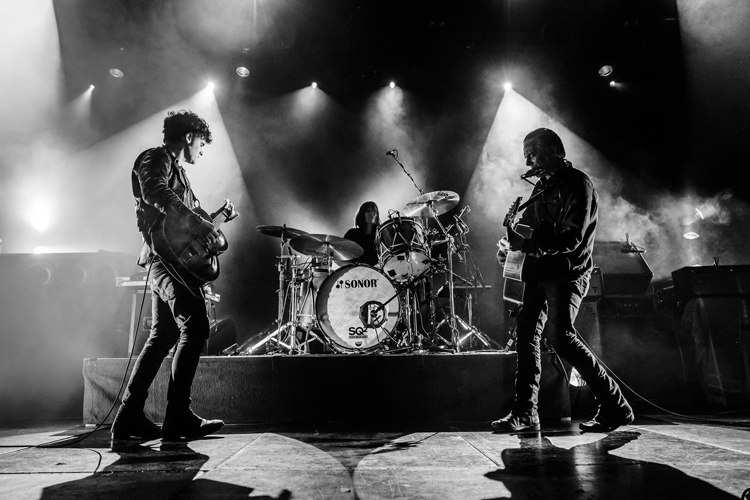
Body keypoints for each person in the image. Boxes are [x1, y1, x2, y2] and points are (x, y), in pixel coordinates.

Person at [492, 128, 634, 433]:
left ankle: (615, 405)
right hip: (540, 273)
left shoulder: (578, 183)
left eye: (533, 152)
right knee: (526, 333)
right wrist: (509, 248)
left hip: (568, 273)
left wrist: (527, 245)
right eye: (526, 154)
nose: (528, 160)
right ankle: (525, 412)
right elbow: (527, 230)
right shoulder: (540, 189)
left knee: (561, 336)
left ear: (555, 150)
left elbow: (572, 237)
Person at [111, 110, 224, 442]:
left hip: (168, 261)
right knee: (196, 326)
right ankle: (177, 417)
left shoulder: (179, 172)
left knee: (163, 335)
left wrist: (214, 219)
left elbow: (185, 225)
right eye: (201, 144)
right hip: (165, 261)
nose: (201, 151)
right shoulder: (154, 158)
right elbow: (154, 191)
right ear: (189, 137)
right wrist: (197, 219)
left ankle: (128, 417)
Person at [344, 201, 381, 266]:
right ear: (362, 214)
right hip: (356, 269)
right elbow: (341, 256)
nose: (372, 214)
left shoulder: (381, 234)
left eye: (374, 211)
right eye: (368, 211)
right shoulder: (352, 234)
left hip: (377, 269)